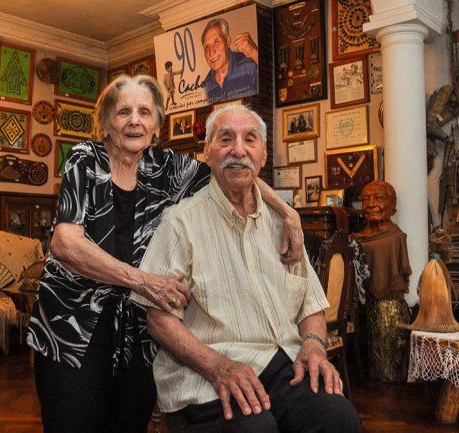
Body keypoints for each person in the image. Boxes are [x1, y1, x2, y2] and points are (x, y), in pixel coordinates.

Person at [26, 75, 305, 433]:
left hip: (137, 333)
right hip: (74, 327)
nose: (134, 121)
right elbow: (65, 243)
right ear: (107, 121)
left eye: (145, 112)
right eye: (123, 111)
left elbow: (235, 168)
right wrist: (143, 281)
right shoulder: (86, 159)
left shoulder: (167, 168)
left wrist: (287, 213)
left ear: (157, 124)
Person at [130, 105, 361, 433]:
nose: (238, 149)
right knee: (255, 429)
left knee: (339, 419)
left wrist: (312, 344)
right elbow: (159, 320)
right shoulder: (181, 223)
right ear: (207, 152)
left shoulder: (284, 224)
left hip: (283, 364)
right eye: (226, 139)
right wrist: (218, 367)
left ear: (263, 156)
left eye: (249, 139)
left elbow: (311, 305)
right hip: (207, 370)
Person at [352, 181, 411, 383]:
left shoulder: (395, 237)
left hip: (389, 308)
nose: (370, 203)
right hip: (360, 308)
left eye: (378, 198)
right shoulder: (355, 239)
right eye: (366, 199)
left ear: (392, 204)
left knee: (387, 370)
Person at [201, 18, 259, 104]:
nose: (211, 52)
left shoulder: (248, 65)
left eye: (216, 41)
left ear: (227, 41)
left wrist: (254, 52)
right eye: (206, 47)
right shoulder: (206, 86)